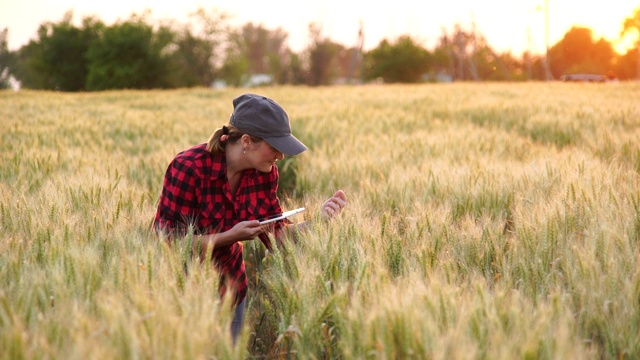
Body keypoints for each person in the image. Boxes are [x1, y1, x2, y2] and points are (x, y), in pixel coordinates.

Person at [153, 93, 347, 343]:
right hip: (180, 295)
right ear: (246, 141)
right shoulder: (189, 168)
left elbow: (278, 236)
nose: (281, 155)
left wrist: (319, 221)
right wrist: (230, 237)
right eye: (275, 146)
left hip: (231, 289)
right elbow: (167, 242)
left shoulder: (265, 173)